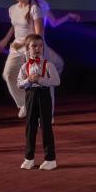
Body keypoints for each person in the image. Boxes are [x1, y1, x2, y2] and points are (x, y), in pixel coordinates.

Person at [0, 0, 43, 118]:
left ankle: (39, 111)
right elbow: (15, 26)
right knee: (8, 74)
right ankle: (23, 103)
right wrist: (5, 40)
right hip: (16, 47)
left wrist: (24, 43)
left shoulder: (34, 8)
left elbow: (39, 33)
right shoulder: (12, 9)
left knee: (34, 80)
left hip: (31, 47)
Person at [17, 34, 60, 170]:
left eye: (40, 46)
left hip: (43, 95)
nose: (38, 48)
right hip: (30, 96)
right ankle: (29, 158)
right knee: (30, 127)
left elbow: (56, 81)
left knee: (46, 127)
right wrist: (28, 80)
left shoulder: (48, 65)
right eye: (34, 46)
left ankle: (50, 159)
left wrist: (40, 80)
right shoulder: (24, 67)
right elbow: (19, 84)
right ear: (27, 49)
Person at [28, 0, 80, 75]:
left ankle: (46, 82)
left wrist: (68, 16)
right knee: (35, 70)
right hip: (29, 40)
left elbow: (54, 23)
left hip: (40, 40)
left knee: (58, 63)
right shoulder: (27, 4)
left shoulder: (43, 4)